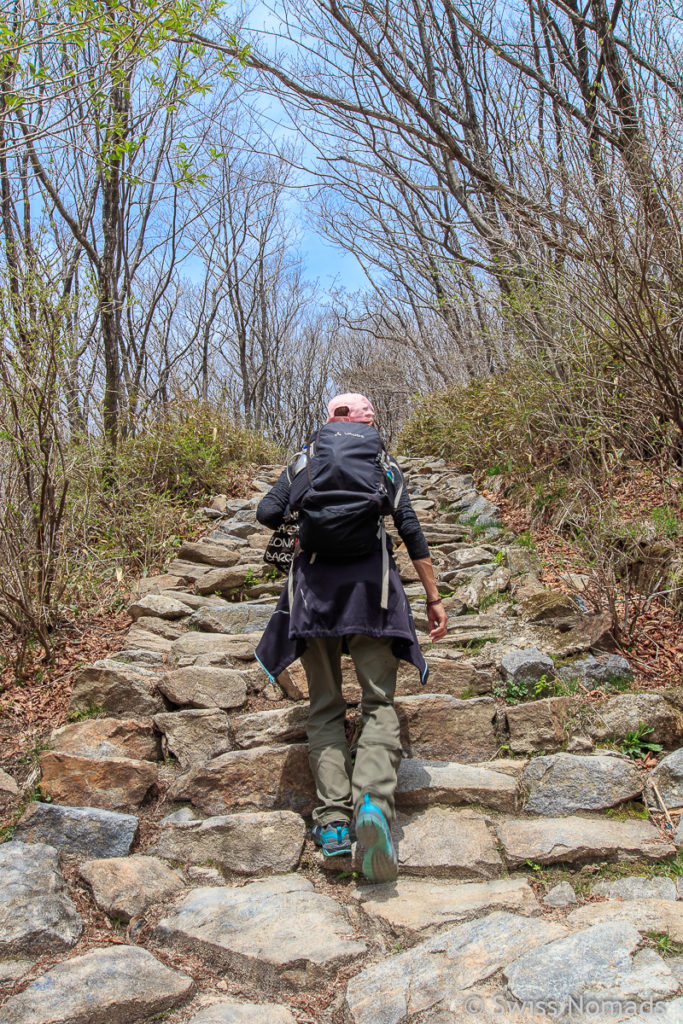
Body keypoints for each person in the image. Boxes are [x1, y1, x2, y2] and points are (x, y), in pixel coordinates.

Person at [254, 393, 448, 883]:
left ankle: (334, 824)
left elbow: (266, 512)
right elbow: (410, 526)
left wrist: (305, 523)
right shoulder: (381, 459)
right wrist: (433, 596)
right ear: (366, 420)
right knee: (379, 703)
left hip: (313, 594)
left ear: (328, 419)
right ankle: (374, 807)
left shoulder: (305, 459)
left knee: (325, 707)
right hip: (373, 595)